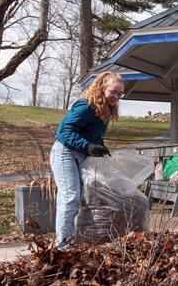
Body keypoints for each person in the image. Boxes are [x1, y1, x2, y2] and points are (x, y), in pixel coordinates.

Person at [50, 71, 123, 249]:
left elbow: (92, 134)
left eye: (120, 94)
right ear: (102, 88)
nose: (116, 97)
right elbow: (64, 131)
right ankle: (63, 247)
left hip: (81, 154)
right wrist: (87, 146)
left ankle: (74, 240)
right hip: (65, 152)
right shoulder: (86, 106)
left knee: (83, 197)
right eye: (113, 92)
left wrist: (100, 147)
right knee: (70, 197)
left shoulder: (106, 108)